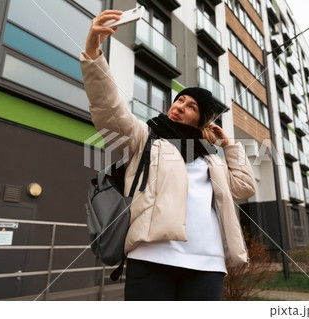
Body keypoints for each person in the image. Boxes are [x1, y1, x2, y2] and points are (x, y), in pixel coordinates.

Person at [80, 10, 256, 301]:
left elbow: (245, 186)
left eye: (191, 106)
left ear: (201, 121)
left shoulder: (211, 159)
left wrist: (229, 146)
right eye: (180, 100)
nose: (180, 106)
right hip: (152, 258)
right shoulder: (146, 137)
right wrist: (93, 53)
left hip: (207, 264)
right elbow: (110, 110)